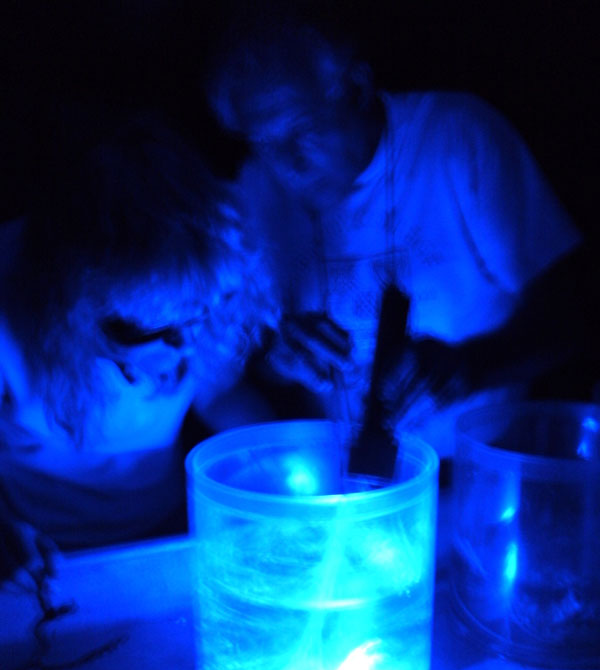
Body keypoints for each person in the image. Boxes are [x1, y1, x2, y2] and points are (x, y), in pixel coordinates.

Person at [206, 20, 588, 461]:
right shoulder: (254, 191)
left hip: (479, 468)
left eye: (301, 130)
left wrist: (471, 367)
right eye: (265, 143)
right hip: (342, 484)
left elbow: (570, 314)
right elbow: (234, 374)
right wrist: (280, 361)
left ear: (357, 87)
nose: (288, 164)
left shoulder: (457, 138)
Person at [0, 112, 274, 580]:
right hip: (42, 557)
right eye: (152, 331)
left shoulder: (198, 283)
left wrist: (289, 462)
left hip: (171, 533)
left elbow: (219, 391)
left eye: (198, 317)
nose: (185, 346)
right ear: (76, 306)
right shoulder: (10, 310)